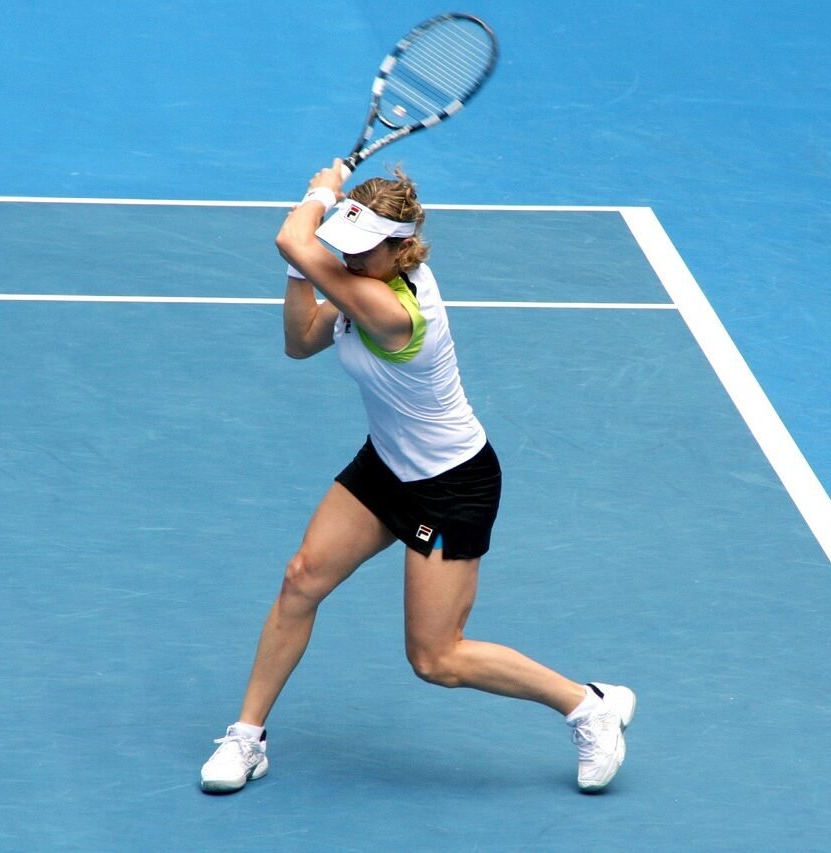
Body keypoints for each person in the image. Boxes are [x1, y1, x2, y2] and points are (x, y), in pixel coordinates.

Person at [200, 159, 635, 795]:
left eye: (363, 249)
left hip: (451, 486)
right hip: (386, 464)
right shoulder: (362, 282)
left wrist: (319, 195)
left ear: (402, 249)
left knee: (436, 658)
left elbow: (292, 237)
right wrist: (301, 268)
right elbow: (301, 340)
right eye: (344, 247)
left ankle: (587, 705)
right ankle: (247, 737)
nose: (349, 260)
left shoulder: (395, 313)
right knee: (301, 580)